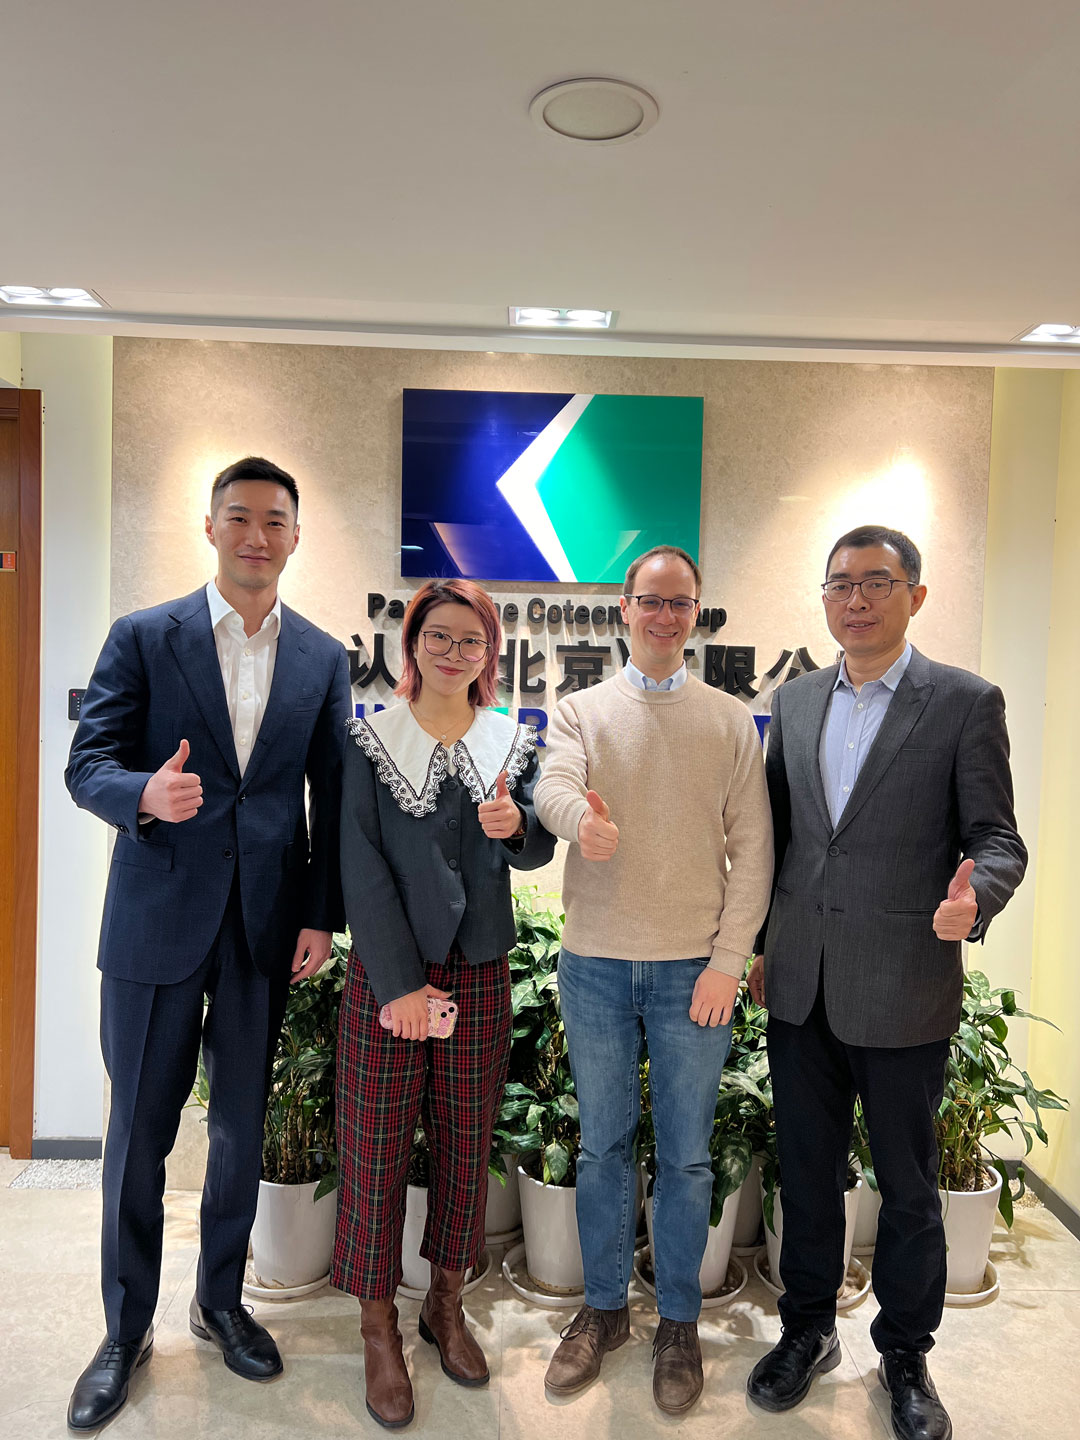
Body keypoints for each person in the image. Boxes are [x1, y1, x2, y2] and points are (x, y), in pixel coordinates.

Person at [64, 456, 351, 1430]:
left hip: (262, 926)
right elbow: (88, 763)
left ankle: (220, 1302)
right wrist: (142, 793)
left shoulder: (320, 657)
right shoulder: (147, 636)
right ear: (211, 525)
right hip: (156, 917)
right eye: (239, 516)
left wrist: (319, 915)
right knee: (139, 1133)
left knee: (237, 1131)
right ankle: (124, 1329)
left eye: (274, 520)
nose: (256, 536)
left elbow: (330, 797)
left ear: (296, 536)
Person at [745, 525, 1027, 1440]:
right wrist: (758, 944)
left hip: (905, 983)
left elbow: (997, 839)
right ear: (824, 598)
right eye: (840, 584)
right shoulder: (793, 703)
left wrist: (974, 900)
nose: (856, 600)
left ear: (916, 595)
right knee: (807, 1173)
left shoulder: (964, 702)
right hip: (801, 984)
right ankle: (808, 1329)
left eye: (877, 582)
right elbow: (781, 841)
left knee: (907, 1186)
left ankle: (905, 1352)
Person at [533, 544, 773, 1415]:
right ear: (624, 610)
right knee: (602, 1148)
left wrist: (727, 961)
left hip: (691, 974)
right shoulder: (581, 710)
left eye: (681, 603)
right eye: (651, 601)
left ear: (696, 615)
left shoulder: (729, 722)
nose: (666, 616)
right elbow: (553, 787)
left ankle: (677, 1321)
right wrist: (580, 824)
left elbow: (754, 851)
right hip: (595, 963)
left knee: (686, 1156)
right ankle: (603, 1312)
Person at [332, 577, 555, 1429]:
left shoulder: (510, 740)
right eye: (439, 637)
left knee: (466, 1145)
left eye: (471, 641)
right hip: (389, 979)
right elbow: (358, 862)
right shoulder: (371, 739)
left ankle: (445, 1304)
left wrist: (518, 829)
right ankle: (377, 1326)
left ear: (490, 653)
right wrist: (397, 983)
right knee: (375, 1148)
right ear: (412, 644)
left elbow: (533, 845)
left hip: (480, 972)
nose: (454, 652)